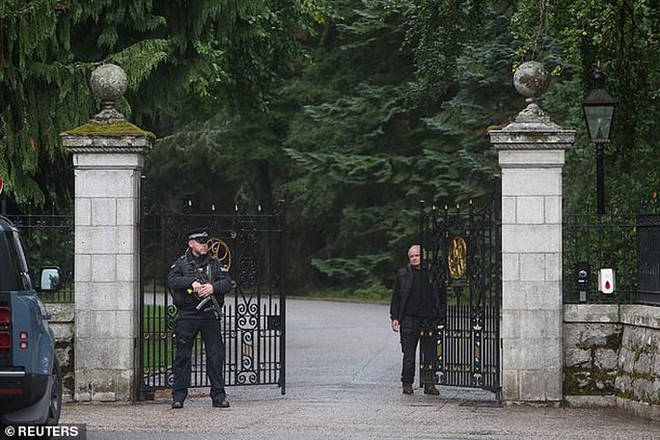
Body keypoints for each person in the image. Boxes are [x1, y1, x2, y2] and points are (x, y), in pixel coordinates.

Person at [167, 228, 232, 409]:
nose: (204, 245)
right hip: (188, 313)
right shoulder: (181, 264)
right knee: (183, 355)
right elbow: (171, 280)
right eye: (201, 242)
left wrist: (213, 287)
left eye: (206, 242)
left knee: (215, 355)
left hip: (209, 313)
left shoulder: (214, 264)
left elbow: (227, 282)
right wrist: (191, 283)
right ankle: (178, 396)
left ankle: (218, 396)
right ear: (191, 243)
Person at [390, 244, 444, 395]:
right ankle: (407, 383)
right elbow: (396, 297)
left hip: (428, 318)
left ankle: (429, 384)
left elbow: (440, 295)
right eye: (412, 256)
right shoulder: (403, 274)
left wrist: (440, 315)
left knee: (429, 354)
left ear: (423, 256)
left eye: (417, 256)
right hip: (409, 319)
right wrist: (394, 317)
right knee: (409, 355)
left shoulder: (432, 273)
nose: (414, 258)